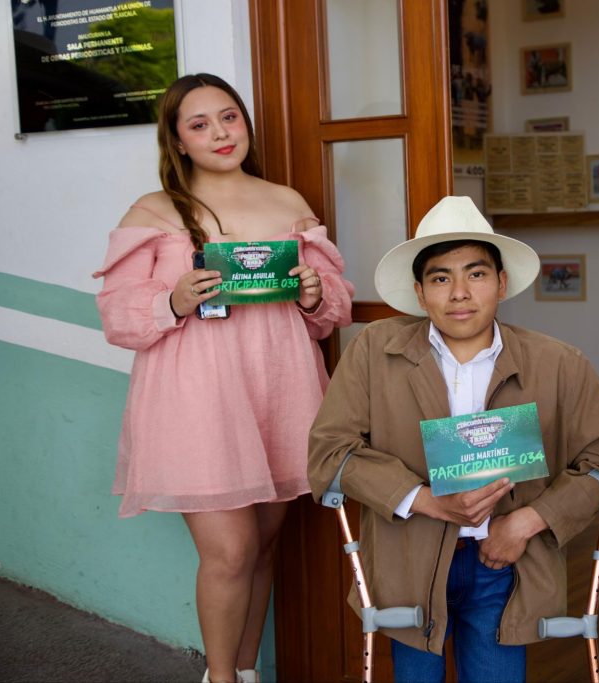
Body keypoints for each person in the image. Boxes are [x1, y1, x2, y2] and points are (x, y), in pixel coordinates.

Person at [307, 196, 599, 683]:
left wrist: (525, 523)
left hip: (504, 563)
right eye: (441, 279)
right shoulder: (374, 352)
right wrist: (425, 500)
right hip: (409, 559)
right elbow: (330, 453)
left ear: (501, 283)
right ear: (420, 293)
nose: (459, 293)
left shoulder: (558, 363)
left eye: (476, 274)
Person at [93, 73, 355, 683]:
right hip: (196, 394)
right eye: (200, 124)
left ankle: (244, 672)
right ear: (178, 140)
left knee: (261, 546)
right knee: (230, 551)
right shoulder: (154, 211)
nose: (219, 133)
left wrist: (315, 293)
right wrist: (174, 299)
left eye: (229, 117)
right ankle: (219, 677)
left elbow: (331, 313)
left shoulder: (287, 202)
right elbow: (118, 317)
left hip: (279, 386)